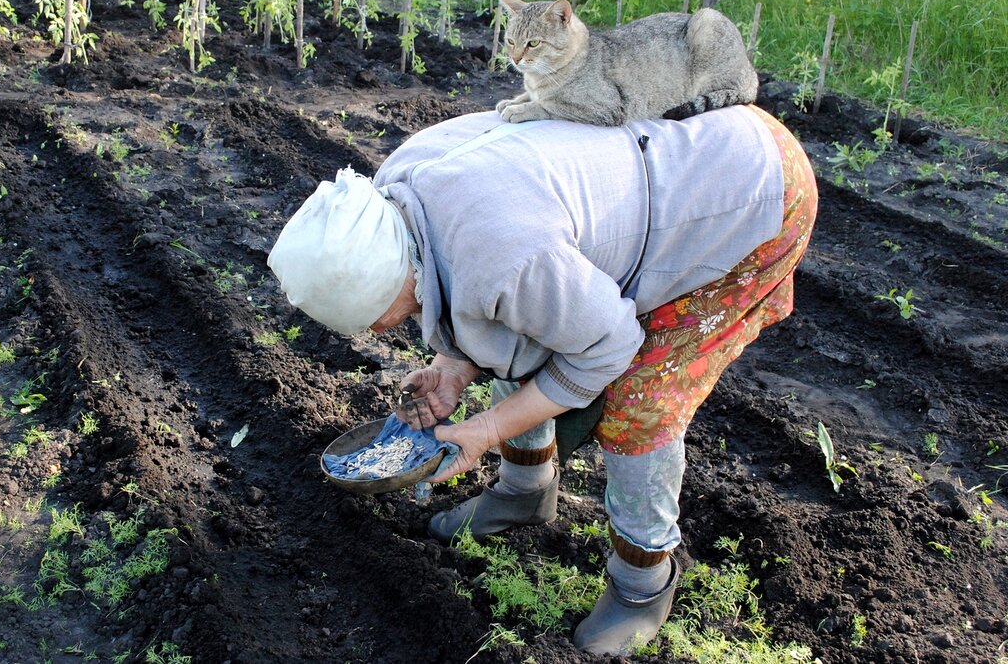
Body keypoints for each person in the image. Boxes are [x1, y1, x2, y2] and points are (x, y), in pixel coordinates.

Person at [267, 104, 817, 656]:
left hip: (751, 193)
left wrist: (484, 431)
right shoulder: (395, 196)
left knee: (641, 401)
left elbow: (606, 347)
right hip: (661, 178)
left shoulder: (505, 259)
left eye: (377, 319)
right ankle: (525, 494)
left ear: (387, 281)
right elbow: (501, 306)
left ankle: (642, 583)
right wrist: (453, 368)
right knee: (539, 330)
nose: (380, 329)